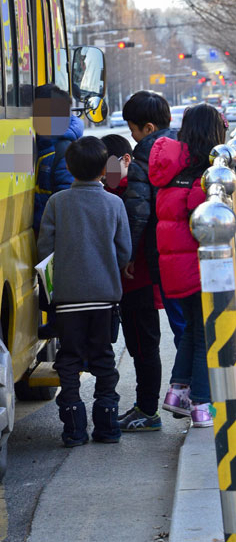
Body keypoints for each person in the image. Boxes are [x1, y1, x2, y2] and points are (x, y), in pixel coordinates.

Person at [37, 136, 132, 446]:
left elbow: (45, 250)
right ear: (105, 169)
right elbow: (123, 252)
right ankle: (107, 426)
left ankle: (74, 427)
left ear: (68, 167)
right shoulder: (114, 204)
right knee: (104, 360)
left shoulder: (57, 203)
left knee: (69, 361)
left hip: (67, 300)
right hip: (105, 298)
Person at [149, 102, 226, 428]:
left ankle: (177, 393)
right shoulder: (201, 181)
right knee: (206, 337)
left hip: (175, 270)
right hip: (199, 268)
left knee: (194, 331)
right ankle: (200, 405)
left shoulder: (172, 176)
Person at [102, 134, 163, 432]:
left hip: (138, 284)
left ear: (126, 160)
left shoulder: (131, 193)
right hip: (128, 286)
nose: (104, 175)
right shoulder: (114, 191)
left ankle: (149, 411)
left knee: (144, 348)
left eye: (108, 168)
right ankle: (144, 407)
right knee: (140, 347)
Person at [122, 91, 186, 347]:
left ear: (148, 128)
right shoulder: (188, 149)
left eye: (133, 130)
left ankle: (192, 383)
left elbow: (138, 214)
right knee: (195, 324)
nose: (133, 137)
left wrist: (129, 255)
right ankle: (202, 382)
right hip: (195, 252)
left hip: (164, 255)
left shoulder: (143, 161)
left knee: (180, 324)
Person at [33, 83, 83, 338]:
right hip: (45, 225)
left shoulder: (61, 148)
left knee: (58, 285)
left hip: (56, 230)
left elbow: (64, 192)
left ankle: (68, 341)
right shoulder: (46, 143)